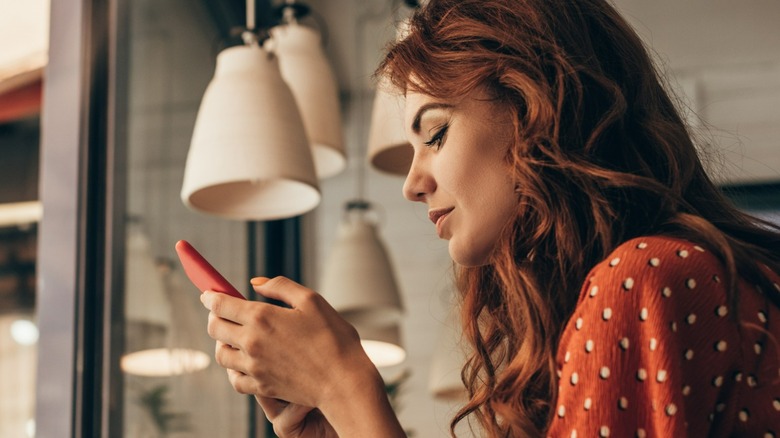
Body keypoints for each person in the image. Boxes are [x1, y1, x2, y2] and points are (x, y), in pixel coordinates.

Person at [200, 0, 780, 436]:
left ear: (535, 105)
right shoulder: (690, 274)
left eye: (436, 133)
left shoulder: (644, 276)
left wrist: (346, 387)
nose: (412, 184)